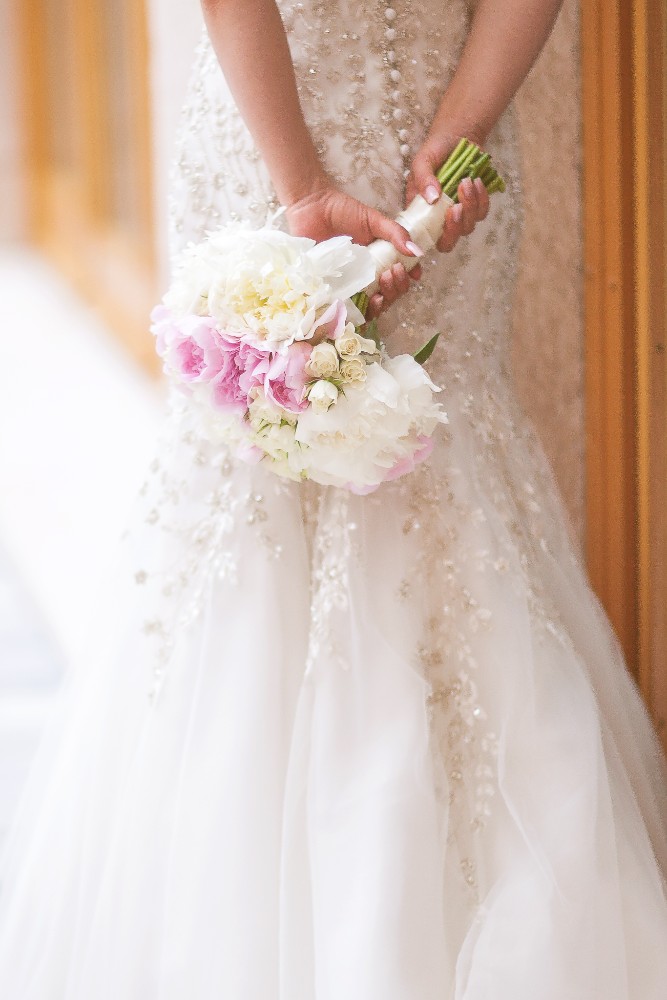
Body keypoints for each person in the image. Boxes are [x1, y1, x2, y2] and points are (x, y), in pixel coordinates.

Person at [1, 0, 666, 996]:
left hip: (353, 141)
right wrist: (437, 141)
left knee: (417, 452)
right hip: (328, 133)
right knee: (298, 466)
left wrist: (387, 161)